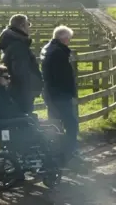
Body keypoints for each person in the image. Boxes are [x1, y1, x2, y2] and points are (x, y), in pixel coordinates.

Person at [41, 25, 79, 161]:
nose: (69, 41)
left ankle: (57, 153)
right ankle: (70, 154)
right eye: (69, 39)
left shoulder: (48, 49)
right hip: (60, 96)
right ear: (64, 38)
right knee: (71, 124)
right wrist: (72, 95)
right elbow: (64, 78)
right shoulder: (59, 53)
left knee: (55, 124)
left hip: (50, 94)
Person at [0, 14, 43, 114]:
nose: (29, 28)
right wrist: (29, 90)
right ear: (22, 25)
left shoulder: (12, 43)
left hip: (17, 90)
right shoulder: (18, 46)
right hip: (22, 92)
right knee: (24, 119)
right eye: (28, 24)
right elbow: (21, 71)